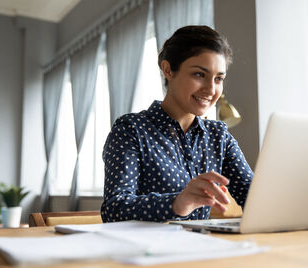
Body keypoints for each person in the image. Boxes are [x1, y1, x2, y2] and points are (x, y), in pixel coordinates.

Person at [101, 25, 253, 222]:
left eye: (218, 78)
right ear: (168, 70)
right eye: (199, 74)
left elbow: (254, 197)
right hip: (147, 249)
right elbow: (114, 209)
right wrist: (177, 203)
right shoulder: (131, 130)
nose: (210, 89)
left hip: (201, 248)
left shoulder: (219, 136)